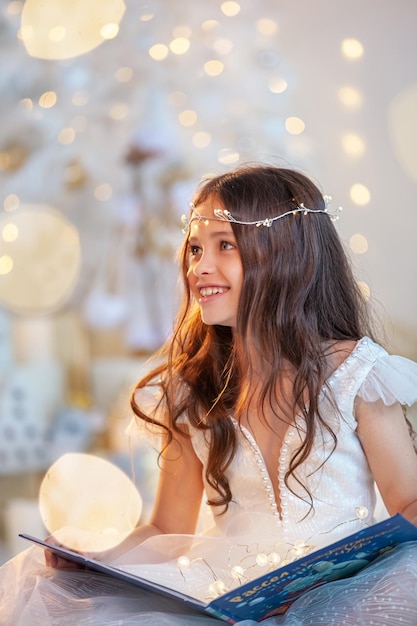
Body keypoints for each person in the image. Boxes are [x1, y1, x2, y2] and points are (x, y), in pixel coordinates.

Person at [1, 163, 417, 625]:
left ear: (286, 255)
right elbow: (165, 528)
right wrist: (95, 554)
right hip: (233, 595)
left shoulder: (355, 372)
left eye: (226, 246)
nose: (201, 267)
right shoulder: (193, 390)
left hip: (344, 597)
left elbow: (409, 503)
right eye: (196, 248)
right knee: (50, 588)